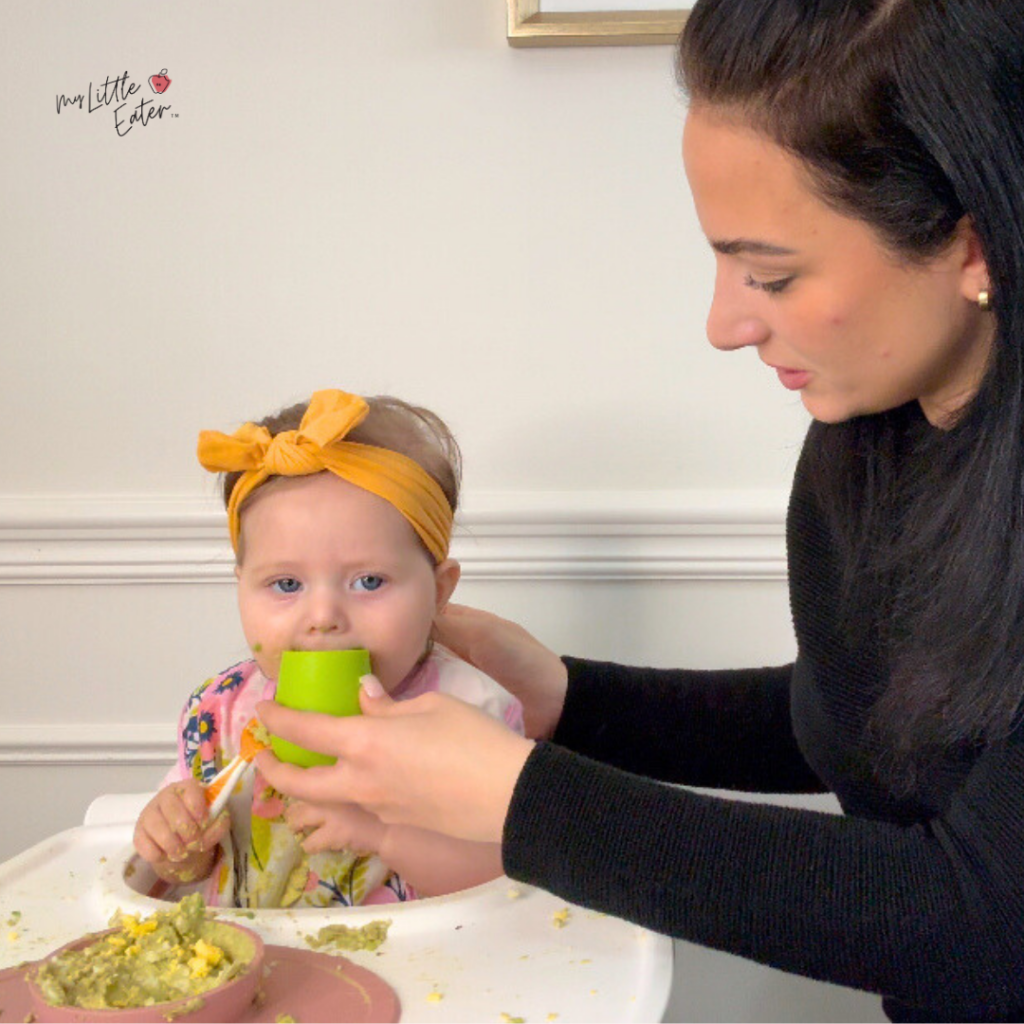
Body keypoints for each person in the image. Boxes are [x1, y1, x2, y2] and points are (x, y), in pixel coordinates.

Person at [254, 0, 1024, 1018]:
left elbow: (980, 924)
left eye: (772, 274)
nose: (723, 322)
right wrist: (568, 696)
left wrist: (522, 800)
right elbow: (870, 724)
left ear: (973, 248)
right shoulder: (873, 439)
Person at [133, 388, 523, 908]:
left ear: (440, 591)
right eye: (286, 585)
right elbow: (190, 866)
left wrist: (384, 838)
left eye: (368, 582)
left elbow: (501, 878)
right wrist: (175, 845)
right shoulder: (220, 713)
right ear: (240, 584)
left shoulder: (469, 715)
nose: (322, 618)